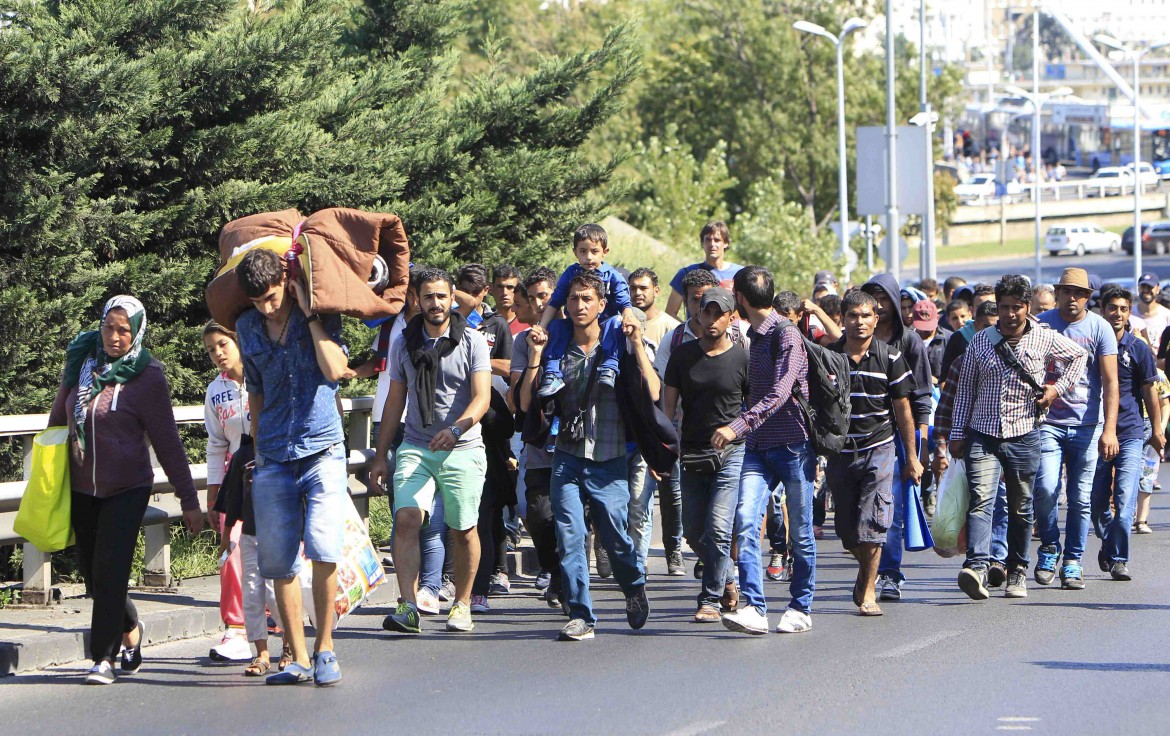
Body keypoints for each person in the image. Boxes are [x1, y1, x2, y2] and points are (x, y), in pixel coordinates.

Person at [48, 295, 203, 685]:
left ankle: (103, 658)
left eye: (124, 330)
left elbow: (167, 441)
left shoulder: (147, 375)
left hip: (127, 487)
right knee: (92, 575)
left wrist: (188, 499)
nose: (115, 337)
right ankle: (131, 629)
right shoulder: (83, 364)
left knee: (111, 570)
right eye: (109, 328)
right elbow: (59, 416)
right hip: (83, 487)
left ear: (136, 332)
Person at [235, 248, 352, 687]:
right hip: (274, 455)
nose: (267, 306)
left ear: (286, 282)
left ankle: (325, 648)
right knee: (277, 562)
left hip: (322, 448)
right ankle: (298, 656)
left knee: (323, 549)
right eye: (258, 300)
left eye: (272, 295)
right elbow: (257, 392)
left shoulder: (317, 313)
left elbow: (336, 369)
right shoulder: (246, 328)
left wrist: (310, 314)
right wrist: (259, 447)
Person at [949, 275, 1087, 601]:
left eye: (1016, 307)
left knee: (1021, 508)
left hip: (1025, 434)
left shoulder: (1043, 337)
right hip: (983, 434)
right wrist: (956, 434)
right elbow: (965, 391)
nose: (1009, 314)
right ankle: (978, 567)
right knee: (981, 500)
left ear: (1027, 307)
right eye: (1004, 307)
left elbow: (1078, 357)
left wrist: (1055, 389)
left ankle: (1017, 570)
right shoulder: (981, 341)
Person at [370, 267, 492, 634]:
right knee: (407, 517)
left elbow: (482, 397)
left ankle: (462, 604)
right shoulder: (403, 343)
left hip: (463, 447)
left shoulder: (472, 341)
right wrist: (379, 457)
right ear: (416, 300)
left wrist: (456, 430)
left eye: (442, 296)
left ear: (452, 298)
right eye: (428, 296)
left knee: (463, 529)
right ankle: (408, 606)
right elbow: (394, 403)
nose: (435, 303)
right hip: (416, 446)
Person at [534, 270, 651, 641]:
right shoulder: (557, 340)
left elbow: (654, 389)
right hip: (567, 455)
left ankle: (633, 585)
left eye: (587, 299)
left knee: (616, 537)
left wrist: (637, 345)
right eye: (573, 299)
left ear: (603, 305)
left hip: (610, 456)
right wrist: (537, 356)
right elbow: (534, 396)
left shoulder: (620, 337)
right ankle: (581, 613)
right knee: (569, 534)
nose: (579, 305)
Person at [716, 266, 817, 635]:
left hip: (793, 445)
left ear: (740, 299)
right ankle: (755, 608)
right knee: (745, 522)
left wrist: (736, 426)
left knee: (801, 532)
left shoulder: (786, 335)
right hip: (758, 448)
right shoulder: (755, 336)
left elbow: (780, 392)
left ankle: (800, 606)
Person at [826, 290, 921, 616]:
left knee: (874, 522)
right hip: (840, 453)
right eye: (852, 315)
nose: (859, 322)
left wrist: (911, 457)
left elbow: (903, 411)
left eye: (866, 315)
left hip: (878, 449)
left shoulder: (890, 358)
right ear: (842, 319)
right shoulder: (829, 356)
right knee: (848, 532)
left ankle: (869, 590)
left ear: (876, 319)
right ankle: (866, 569)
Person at [663, 287, 749, 622]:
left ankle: (709, 600)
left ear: (731, 318)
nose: (711, 320)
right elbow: (667, 411)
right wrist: (664, 451)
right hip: (692, 454)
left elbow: (755, 410)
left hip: (731, 453)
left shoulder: (743, 357)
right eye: (705, 313)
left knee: (717, 528)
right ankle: (727, 575)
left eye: (718, 314)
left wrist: (735, 431)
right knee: (692, 531)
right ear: (697, 316)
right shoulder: (683, 356)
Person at [1033, 267, 1120, 590]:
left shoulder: (1100, 328)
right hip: (1048, 424)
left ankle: (1073, 560)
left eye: (1079, 293)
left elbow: (1111, 384)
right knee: (1045, 490)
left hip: (1086, 424)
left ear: (1087, 297)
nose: (1073, 298)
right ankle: (1049, 547)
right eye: (1067, 292)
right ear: (1057, 293)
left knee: (1080, 498)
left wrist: (1109, 430)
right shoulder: (1042, 324)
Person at [860, 274, 934, 601]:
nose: (878, 304)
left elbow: (921, 398)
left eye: (884, 297)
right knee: (856, 514)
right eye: (872, 297)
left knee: (889, 509)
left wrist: (919, 448)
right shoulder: (857, 337)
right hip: (860, 435)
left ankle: (889, 574)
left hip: (897, 438)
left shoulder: (911, 342)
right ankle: (869, 570)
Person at [202, 321, 269, 669]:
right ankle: (236, 628)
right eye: (211, 349)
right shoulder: (215, 391)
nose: (218, 354)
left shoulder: (265, 373)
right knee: (233, 551)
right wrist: (214, 497)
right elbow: (216, 445)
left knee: (272, 551)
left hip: (269, 471)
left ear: (239, 341)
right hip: (234, 480)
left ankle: (273, 619)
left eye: (223, 344)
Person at [1092, 287, 1165, 581]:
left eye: (1123, 309)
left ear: (1129, 311)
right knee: (1095, 504)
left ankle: (1119, 558)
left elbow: (1151, 392)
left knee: (1124, 500)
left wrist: (1157, 430)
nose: (1118, 314)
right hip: (1096, 433)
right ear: (1102, 310)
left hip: (1131, 433)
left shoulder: (1138, 349)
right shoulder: (1092, 345)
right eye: (1112, 308)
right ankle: (1110, 541)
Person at [512, 267, 564, 608]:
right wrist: (534, 357)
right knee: (540, 515)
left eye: (544, 295)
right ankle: (551, 567)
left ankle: (566, 585)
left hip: (576, 446)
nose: (538, 303)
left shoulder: (577, 333)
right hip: (539, 445)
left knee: (573, 521)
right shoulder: (522, 341)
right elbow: (522, 402)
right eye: (533, 298)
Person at [534, 223, 635, 394]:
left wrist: (628, 320)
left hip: (604, 325)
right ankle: (552, 373)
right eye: (583, 251)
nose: (588, 257)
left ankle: (609, 367)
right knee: (556, 327)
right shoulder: (571, 273)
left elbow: (625, 304)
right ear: (575, 252)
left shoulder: (612, 276)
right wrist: (542, 326)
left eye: (594, 251)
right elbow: (555, 301)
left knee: (616, 323)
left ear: (605, 252)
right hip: (576, 323)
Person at [664, 220, 744, 319]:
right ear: (702, 243)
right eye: (708, 239)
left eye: (717, 240)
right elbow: (670, 313)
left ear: (726, 243)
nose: (712, 244)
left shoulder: (741, 274)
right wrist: (687, 331)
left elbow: (748, 311)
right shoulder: (686, 273)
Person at [629, 267, 680, 347]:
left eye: (643, 288)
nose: (637, 292)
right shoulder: (623, 322)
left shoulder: (672, 328)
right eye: (633, 288)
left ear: (656, 291)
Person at [491, 264, 528, 337]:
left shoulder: (528, 324)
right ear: (492, 288)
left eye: (510, 287)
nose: (504, 292)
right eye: (500, 287)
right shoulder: (483, 323)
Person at [1135, 273, 1169, 350]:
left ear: (1158, 289)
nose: (1146, 290)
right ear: (1138, 288)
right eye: (1143, 287)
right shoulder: (1130, 314)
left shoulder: (1167, 315)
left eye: (1150, 287)